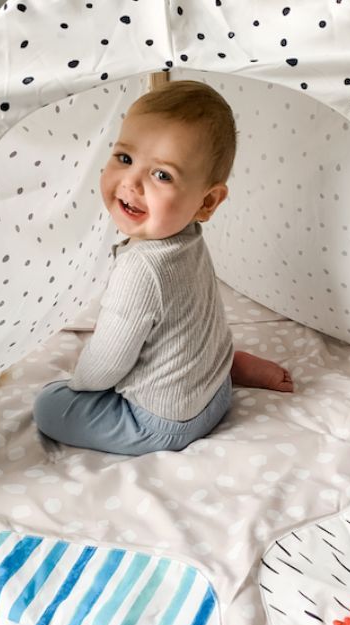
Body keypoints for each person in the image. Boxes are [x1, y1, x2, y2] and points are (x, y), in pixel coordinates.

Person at [33, 79, 293, 455]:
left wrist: (78, 384)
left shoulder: (140, 269)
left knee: (49, 406)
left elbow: (106, 364)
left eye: (162, 175)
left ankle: (216, 372)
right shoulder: (188, 236)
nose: (132, 182)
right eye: (124, 158)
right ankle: (227, 368)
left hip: (162, 423)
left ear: (207, 201)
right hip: (213, 392)